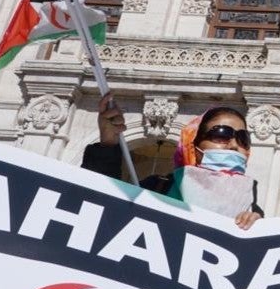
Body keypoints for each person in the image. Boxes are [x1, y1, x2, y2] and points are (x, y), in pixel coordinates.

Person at [82, 95, 263, 230]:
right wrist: (107, 144)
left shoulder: (252, 209)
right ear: (193, 144)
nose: (233, 145)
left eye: (242, 138)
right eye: (221, 134)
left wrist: (259, 231)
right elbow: (99, 210)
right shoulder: (158, 188)